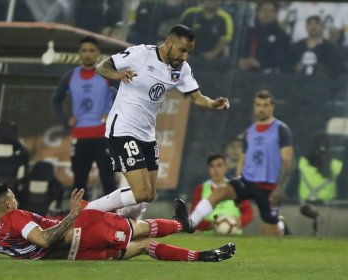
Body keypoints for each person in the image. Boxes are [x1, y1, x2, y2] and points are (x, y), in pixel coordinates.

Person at [92, 25, 230, 217]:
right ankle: (89, 211)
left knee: (148, 195)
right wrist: (118, 74)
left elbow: (198, 98)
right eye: (182, 50)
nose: (185, 56)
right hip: (123, 129)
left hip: (147, 134)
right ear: (168, 43)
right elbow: (102, 67)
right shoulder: (140, 54)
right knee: (140, 192)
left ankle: (113, 224)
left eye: (189, 52)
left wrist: (213, 103)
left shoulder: (182, 70)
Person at [0, 182, 235, 261]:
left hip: (72, 254)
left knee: (141, 246)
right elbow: (44, 239)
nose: (16, 202)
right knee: (138, 228)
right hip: (79, 231)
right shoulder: (14, 216)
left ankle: (202, 256)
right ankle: (184, 225)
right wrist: (72, 215)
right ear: (7, 204)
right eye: (13, 198)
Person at [190, 90, 293, 236]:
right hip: (248, 181)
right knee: (220, 192)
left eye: (265, 105)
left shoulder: (281, 130)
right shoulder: (249, 132)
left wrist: (279, 189)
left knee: (270, 231)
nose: (261, 108)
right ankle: (188, 225)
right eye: (258, 105)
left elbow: (287, 161)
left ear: (272, 107)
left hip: (268, 186)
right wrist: (239, 182)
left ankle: (281, 227)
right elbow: (243, 160)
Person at [51, 36, 117, 200]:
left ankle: (114, 220)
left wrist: (111, 114)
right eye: (84, 50)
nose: (88, 54)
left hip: (103, 136)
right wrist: (66, 121)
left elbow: (124, 96)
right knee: (79, 182)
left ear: (98, 53)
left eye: (92, 50)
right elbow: (55, 101)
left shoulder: (107, 74)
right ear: (80, 53)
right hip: (80, 137)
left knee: (108, 180)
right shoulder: (70, 76)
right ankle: (81, 220)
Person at [191, 153, 253, 233]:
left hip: (234, 236)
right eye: (212, 166)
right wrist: (209, 225)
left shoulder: (236, 187)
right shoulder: (201, 189)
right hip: (209, 236)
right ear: (208, 169)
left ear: (226, 168)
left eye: (219, 165)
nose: (216, 170)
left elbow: (248, 213)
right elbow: (193, 217)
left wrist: (239, 222)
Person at [238, 2, 290, 73]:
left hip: (269, 75)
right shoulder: (248, 33)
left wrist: (260, 63)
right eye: (263, 10)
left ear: (276, 14)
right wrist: (241, 61)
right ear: (257, 13)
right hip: (244, 73)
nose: (266, 14)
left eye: (270, 11)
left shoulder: (281, 35)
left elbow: (282, 58)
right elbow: (238, 52)